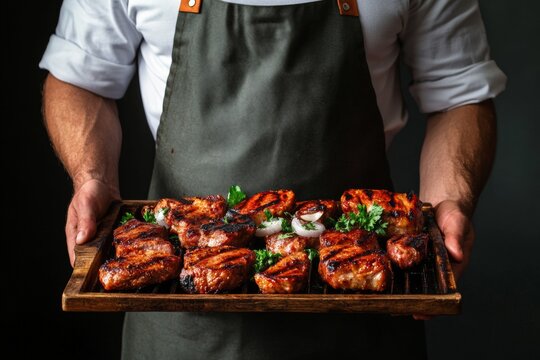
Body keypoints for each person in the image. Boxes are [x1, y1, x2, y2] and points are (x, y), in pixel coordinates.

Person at [40, 0, 506, 358]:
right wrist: (91, 176)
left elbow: (460, 90)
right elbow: (80, 77)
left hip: (363, 308)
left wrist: (451, 198)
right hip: (180, 311)